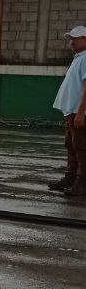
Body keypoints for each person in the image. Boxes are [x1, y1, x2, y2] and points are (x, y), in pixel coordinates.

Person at [49, 25, 86, 198]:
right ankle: (70, 178)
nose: (72, 42)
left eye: (75, 38)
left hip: (79, 113)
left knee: (81, 148)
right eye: (71, 39)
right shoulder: (79, 58)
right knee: (71, 146)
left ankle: (82, 183)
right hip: (70, 112)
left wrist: (81, 112)